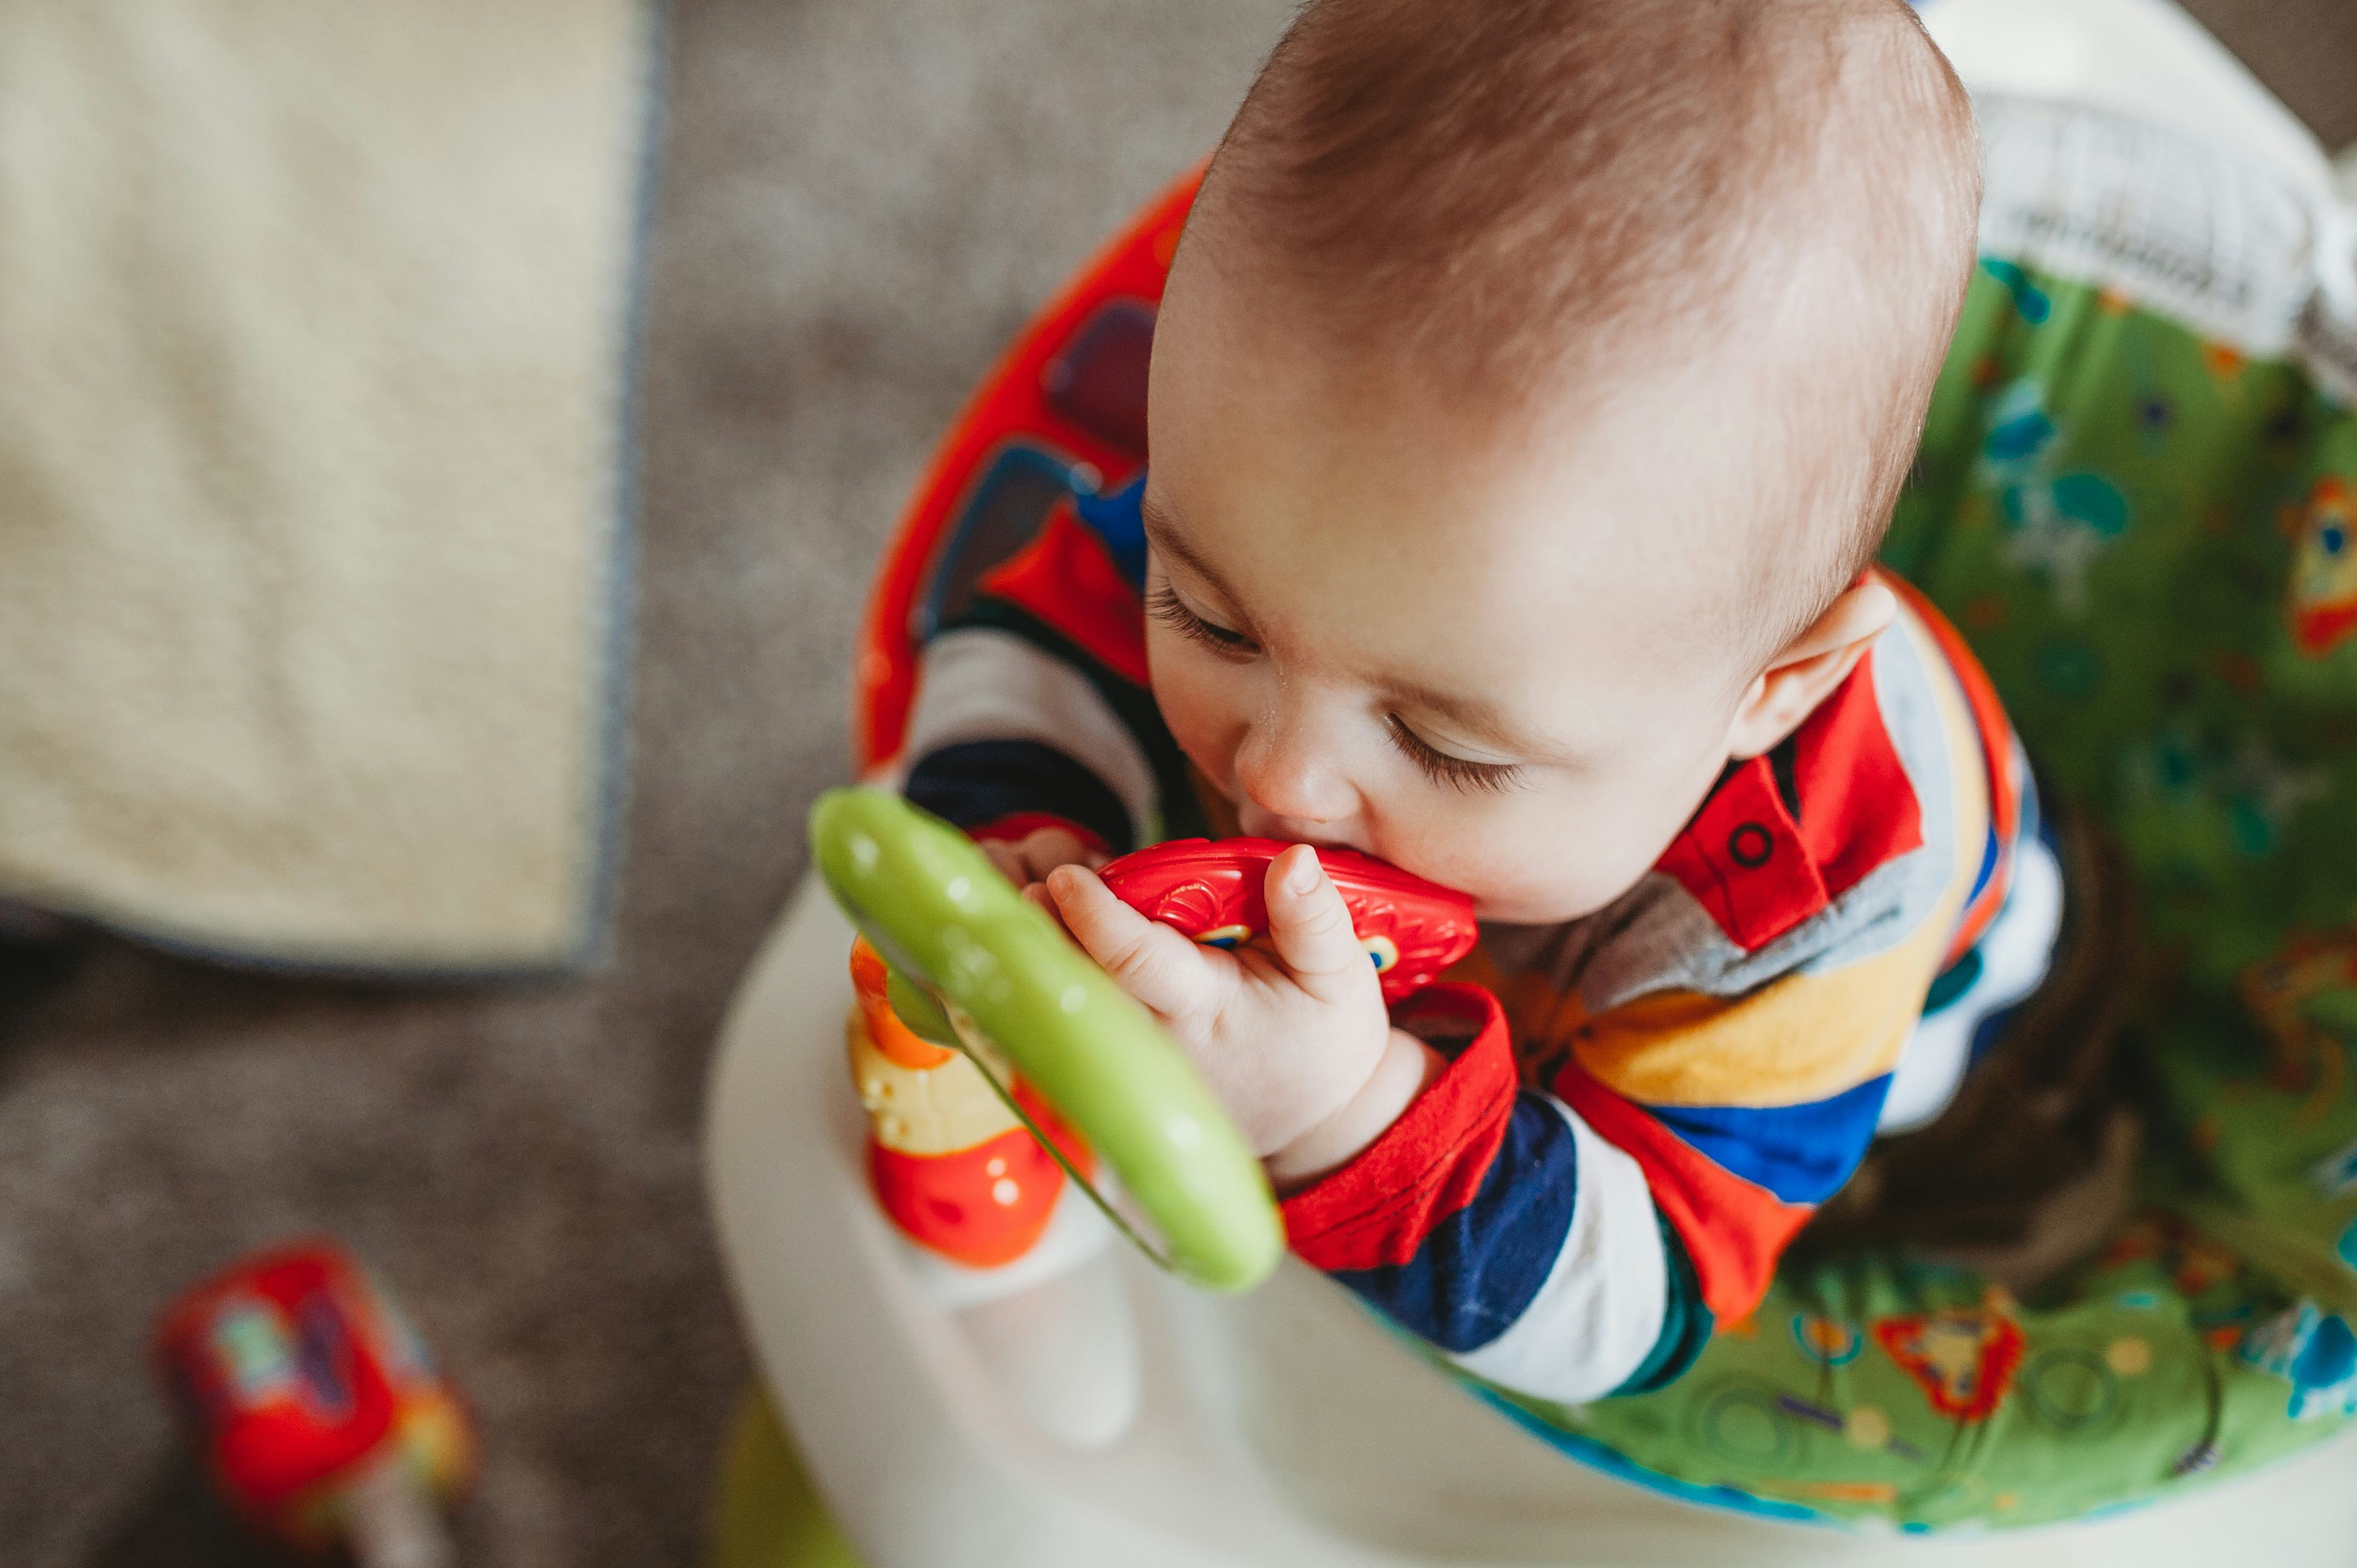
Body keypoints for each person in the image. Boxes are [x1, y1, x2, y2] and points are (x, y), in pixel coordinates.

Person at [895, 0, 2065, 1399]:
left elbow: (1633, 1307)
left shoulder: (1824, 910)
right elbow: (1021, 628)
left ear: (1771, 689)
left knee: (1995, 1190)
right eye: (1208, 617)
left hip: (1922, 1032)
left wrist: (1337, 1112)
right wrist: (1017, 828)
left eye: (1439, 741)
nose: (1277, 776)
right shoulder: (1308, 514)